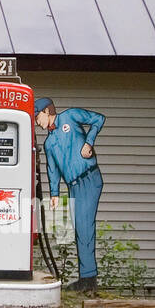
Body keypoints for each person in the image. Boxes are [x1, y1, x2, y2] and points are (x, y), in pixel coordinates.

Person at [34, 97, 105, 295]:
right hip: (74, 185)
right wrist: (54, 193)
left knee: (84, 227)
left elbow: (98, 118)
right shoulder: (49, 143)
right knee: (80, 229)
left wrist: (89, 143)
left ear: (47, 111)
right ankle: (87, 278)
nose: (36, 121)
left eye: (37, 116)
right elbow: (52, 169)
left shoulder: (70, 116)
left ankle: (88, 279)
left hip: (89, 178)